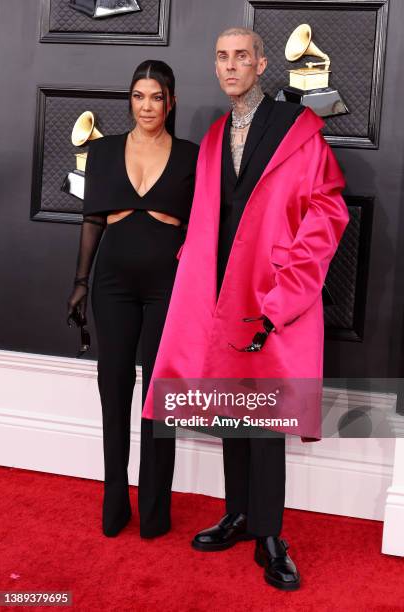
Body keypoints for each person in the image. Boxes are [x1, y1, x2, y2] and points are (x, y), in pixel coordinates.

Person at [142, 29, 349, 589]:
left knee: (268, 417)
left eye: (241, 57)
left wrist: (286, 293)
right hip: (217, 294)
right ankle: (238, 514)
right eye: (221, 57)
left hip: (271, 291)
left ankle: (272, 534)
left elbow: (326, 214)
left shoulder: (297, 131)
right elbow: (211, 215)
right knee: (229, 405)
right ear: (215, 67)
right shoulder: (211, 137)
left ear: (260, 64)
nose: (230, 66)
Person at [66, 60, 199, 538]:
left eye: (156, 97)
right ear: (130, 100)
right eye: (139, 96)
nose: (147, 106)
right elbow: (91, 221)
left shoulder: (191, 156)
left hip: (169, 285)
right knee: (114, 387)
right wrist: (81, 282)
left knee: (160, 394)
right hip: (112, 285)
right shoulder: (102, 152)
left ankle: (156, 512)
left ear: (171, 101)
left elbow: (204, 228)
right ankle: (115, 504)